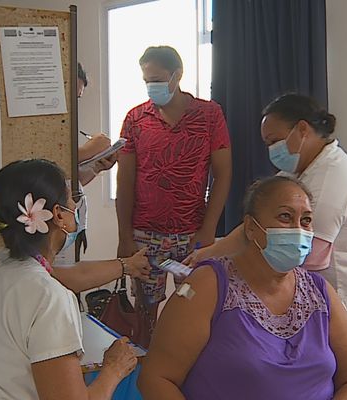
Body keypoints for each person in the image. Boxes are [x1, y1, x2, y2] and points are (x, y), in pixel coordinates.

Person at [138, 176, 347, 400]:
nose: (298, 230)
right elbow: (155, 379)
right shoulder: (207, 286)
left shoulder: (319, 292)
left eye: (306, 220)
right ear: (251, 228)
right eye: (285, 217)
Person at [186, 94, 347, 342]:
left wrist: (228, 268)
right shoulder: (299, 173)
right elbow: (252, 227)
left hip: (344, 300)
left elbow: (302, 255)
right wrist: (206, 254)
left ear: (302, 129)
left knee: (330, 373)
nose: (271, 150)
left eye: (275, 141)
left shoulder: (328, 179)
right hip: (318, 295)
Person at [0, 159, 137, 400]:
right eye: (70, 199)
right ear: (58, 215)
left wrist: (127, 266)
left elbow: (70, 277)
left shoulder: (2, 264)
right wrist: (113, 370)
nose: (75, 205)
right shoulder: (49, 297)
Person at [116, 45, 232, 341]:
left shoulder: (209, 115)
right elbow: (125, 179)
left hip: (191, 234)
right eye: (146, 81)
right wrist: (124, 237)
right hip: (144, 233)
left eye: (156, 79)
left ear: (176, 76)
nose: (150, 87)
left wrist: (208, 229)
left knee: (193, 306)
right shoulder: (135, 119)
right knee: (145, 313)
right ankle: (145, 367)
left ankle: (184, 369)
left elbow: (223, 174)